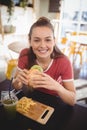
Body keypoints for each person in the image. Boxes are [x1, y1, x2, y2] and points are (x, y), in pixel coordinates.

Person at [12, 17, 76, 106]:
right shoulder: (24, 54)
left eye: (48, 40)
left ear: (54, 41)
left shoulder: (64, 62)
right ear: (30, 41)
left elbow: (72, 100)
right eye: (37, 40)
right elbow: (16, 86)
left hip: (55, 100)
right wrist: (17, 81)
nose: (42, 45)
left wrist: (57, 86)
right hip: (32, 96)